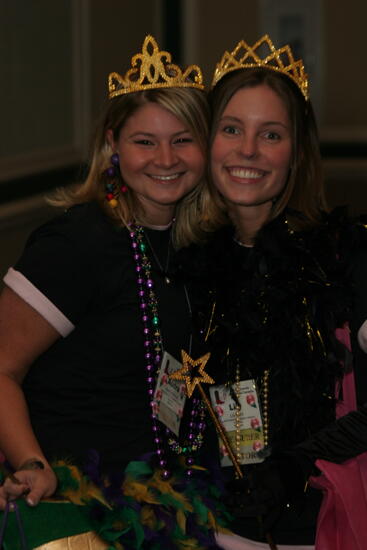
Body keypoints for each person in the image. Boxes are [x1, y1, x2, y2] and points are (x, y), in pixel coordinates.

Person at [0, 35, 228, 549]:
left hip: (164, 500)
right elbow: (1, 367)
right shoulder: (77, 243)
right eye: (144, 141)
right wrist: (32, 464)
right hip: (79, 511)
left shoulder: (191, 244)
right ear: (113, 145)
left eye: (183, 139)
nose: (164, 158)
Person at [180, 35, 367, 549]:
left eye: (271, 134)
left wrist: (296, 464)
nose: (247, 151)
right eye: (232, 129)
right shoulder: (183, 259)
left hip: (323, 529)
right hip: (207, 526)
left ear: (297, 152)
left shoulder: (346, 258)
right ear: (206, 141)